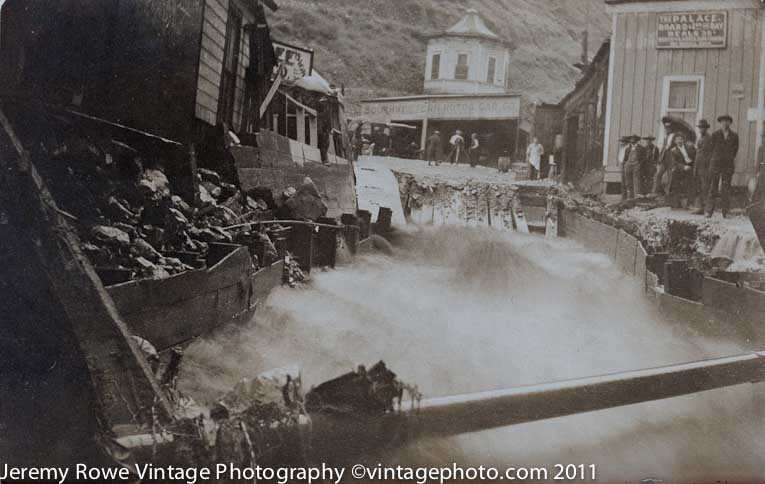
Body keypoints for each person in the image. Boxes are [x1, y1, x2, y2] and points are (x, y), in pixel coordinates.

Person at [705, 114, 739, 218]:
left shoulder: (734, 136)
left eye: (727, 121)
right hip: (716, 164)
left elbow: (735, 150)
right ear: (720, 123)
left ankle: (725, 212)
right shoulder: (715, 135)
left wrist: (728, 159)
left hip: (727, 165)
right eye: (723, 121)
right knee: (713, 188)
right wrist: (715, 160)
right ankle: (709, 211)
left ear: (730, 123)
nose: (725, 123)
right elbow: (710, 150)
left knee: (726, 188)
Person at [666, 132, 696, 208]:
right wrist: (683, 167)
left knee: (691, 184)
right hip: (679, 169)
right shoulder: (673, 151)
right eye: (677, 140)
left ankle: (690, 203)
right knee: (675, 183)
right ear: (675, 141)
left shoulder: (690, 148)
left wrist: (691, 166)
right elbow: (674, 162)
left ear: (683, 140)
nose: (679, 141)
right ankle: (676, 203)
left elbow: (695, 157)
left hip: (690, 167)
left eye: (681, 139)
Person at [651, 116, 677, 197]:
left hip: (671, 157)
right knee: (658, 174)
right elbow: (663, 148)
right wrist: (660, 158)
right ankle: (655, 191)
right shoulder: (666, 136)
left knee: (670, 176)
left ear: (672, 128)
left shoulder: (675, 136)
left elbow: (674, 147)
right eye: (666, 128)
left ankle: (667, 193)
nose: (667, 129)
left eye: (668, 128)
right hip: (664, 157)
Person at [691, 119, 712, 214]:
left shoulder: (709, 138)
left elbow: (710, 154)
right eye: (700, 128)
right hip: (698, 166)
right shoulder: (700, 139)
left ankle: (707, 209)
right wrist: (695, 168)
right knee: (699, 187)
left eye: (702, 127)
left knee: (705, 188)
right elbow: (698, 154)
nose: (701, 129)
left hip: (705, 167)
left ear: (706, 128)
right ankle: (700, 208)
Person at [622, 134, 646, 199]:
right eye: (631, 139)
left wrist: (639, 164)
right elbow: (625, 158)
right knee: (628, 181)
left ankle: (636, 197)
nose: (632, 140)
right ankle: (629, 197)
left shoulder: (641, 148)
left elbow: (644, 158)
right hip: (628, 165)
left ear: (637, 140)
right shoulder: (628, 148)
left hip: (636, 165)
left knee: (636, 181)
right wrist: (625, 164)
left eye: (634, 139)